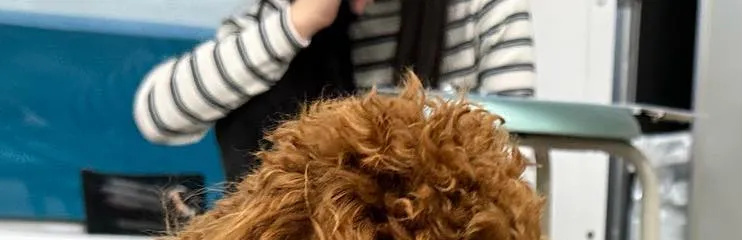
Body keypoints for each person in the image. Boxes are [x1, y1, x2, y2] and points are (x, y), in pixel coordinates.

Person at [134, 0, 535, 180]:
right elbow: (159, 114)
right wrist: (299, 22)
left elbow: (517, 168)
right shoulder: (281, 12)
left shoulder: (484, 9)